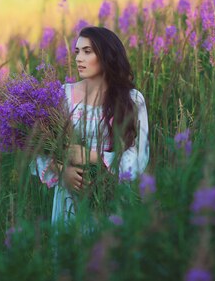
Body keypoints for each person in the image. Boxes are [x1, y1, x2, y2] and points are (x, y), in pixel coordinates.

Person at [31, 26, 149, 225]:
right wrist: (62, 172)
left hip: (112, 196)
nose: (78, 58)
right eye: (77, 52)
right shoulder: (63, 96)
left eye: (87, 52)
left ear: (107, 56)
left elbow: (140, 155)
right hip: (70, 199)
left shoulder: (132, 99)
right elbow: (39, 148)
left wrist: (93, 157)